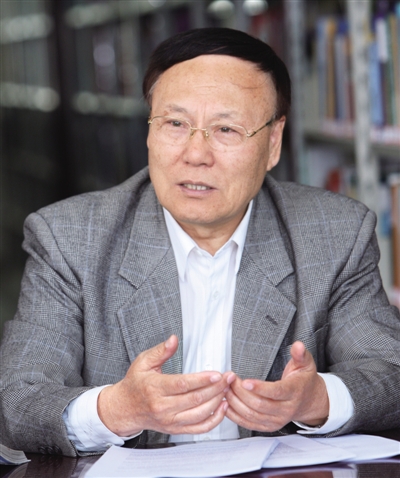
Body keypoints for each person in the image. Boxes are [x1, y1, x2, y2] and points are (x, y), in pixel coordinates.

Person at [1, 28, 399, 457]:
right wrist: (118, 409)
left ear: (273, 142)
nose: (195, 154)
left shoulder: (334, 234)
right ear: (149, 131)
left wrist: (318, 400)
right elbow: (18, 402)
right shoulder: (68, 239)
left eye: (226, 129)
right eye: (175, 123)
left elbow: (390, 374)